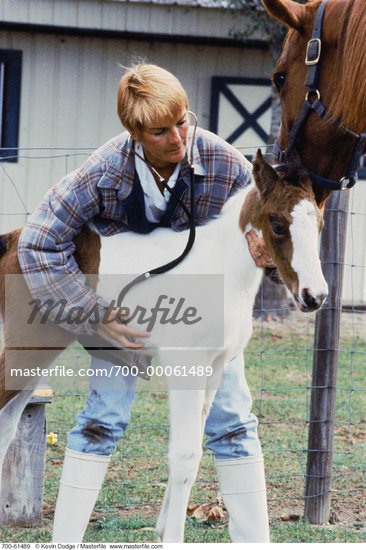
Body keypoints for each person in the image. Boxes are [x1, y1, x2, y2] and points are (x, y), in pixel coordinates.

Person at [17, 63, 272, 543]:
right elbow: (37, 243)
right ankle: (65, 542)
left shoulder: (226, 163)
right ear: (135, 134)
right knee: (101, 419)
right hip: (125, 314)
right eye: (161, 130)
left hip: (206, 321)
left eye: (183, 120)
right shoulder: (103, 171)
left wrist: (266, 250)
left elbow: (273, 221)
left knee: (234, 421)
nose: (179, 138)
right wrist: (90, 311)